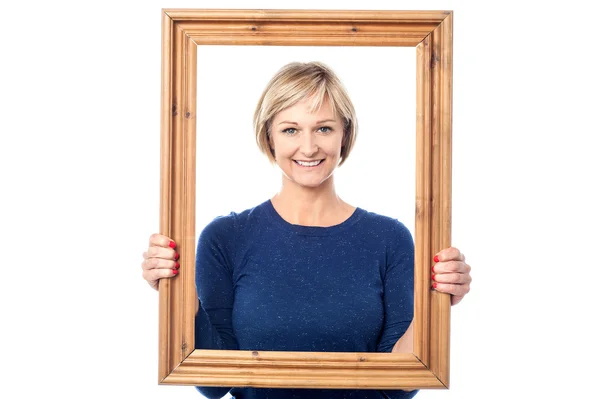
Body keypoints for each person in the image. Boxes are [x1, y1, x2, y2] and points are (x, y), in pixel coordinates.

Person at [141, 62, 472, 399]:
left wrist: (437, 300)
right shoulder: (225, 238)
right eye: (290, 130)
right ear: (268, 136)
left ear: (345, 133)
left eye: (324, 129)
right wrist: (175, 289)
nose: (309, 147)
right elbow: (214, 383)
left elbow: (398, 386)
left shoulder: (389, 240)